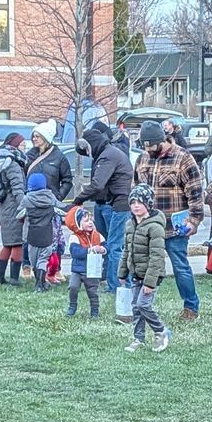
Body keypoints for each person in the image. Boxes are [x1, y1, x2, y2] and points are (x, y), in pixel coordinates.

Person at [143, 119, 206, 319]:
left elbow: (195, 191)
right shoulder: (143, 158)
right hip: (149, 225)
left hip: (175, 227)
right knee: (144, 266)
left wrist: (194, 220)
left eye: (151, 146)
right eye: (145, 146)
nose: (148, 150)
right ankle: (142, 305)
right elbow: (136, 189)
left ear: (162, 140)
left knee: (180, 266)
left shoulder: (183, 158)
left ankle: (191, 307)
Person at [83, 119, 134, 305]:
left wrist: (79, 199)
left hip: (115, 204)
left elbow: (99, 183)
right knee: (108, 244)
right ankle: (111, 280)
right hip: (107, 202)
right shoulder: (104, 153)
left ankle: (116, 284)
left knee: (115, 246)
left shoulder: (111, 153)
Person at [120, 190, 173, 352]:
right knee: (136, 307)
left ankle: (161, 331)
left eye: (140, 202)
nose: (136, 206)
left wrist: (150, 282)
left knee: (143, 304)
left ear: (148, 204)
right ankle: (138, 338)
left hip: (151, 275)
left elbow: (157, 256)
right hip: (136, 273)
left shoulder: (155, 227)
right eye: (133, 202)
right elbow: (126, 250)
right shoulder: (130, 225)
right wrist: (122, 272)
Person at [0, 130, 30, 282]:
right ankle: (14, 278)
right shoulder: (13, 164)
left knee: (7, 243)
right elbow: (18, 189)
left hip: (5, 206)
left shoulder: (1, 160)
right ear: (15, 146)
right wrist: (24, 206)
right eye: (22, 145)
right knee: (17, 243)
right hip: (14, 207)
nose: (24, 148)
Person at [63, 198, 107, 318]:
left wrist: (103, 249)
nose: (90, 222)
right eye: (86, 220)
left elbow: (106, 246)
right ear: (77, 224)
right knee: (73, 287)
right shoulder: (74, 237)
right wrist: (90, 250)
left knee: (93, 292)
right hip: (77, 271)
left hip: (92, 271)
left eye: (91, 220)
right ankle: (72, 307)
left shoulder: (97, 235)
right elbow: (75, 252)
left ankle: (94, 311)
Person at [23, 169, 60, 290]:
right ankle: (41, 283)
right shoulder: (51, 199)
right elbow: (60, 210)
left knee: (34, 261)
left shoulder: (27, 200)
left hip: (32, 236)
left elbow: (19, 215)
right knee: (43, 259)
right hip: (47, 236)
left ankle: (39, 282)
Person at [26, 122, 74, 203]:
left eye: (37, 136)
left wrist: (58, 197)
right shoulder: (29, 156)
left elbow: (67, 181)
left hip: (50, 202)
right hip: (31, 202)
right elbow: (22, 177)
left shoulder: (59, 157)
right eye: (33, 136)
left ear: (45, 137)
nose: (34, 139)